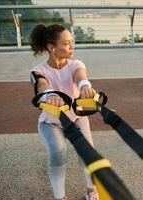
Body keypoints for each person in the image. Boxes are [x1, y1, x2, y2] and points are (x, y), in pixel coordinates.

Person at [29, 24, 99, 200]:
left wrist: (85, 88)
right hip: (50, 122)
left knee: (87, 149)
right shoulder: (37, 71)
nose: (72, 47)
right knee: (59, 151)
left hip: (76, 118)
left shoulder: (75, 64)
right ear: (52, 48)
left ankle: (91, 190)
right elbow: (41, 84)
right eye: (66, 43)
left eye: (71, 42)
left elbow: (81, 76)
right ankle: (60, 197)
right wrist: (50, 94)